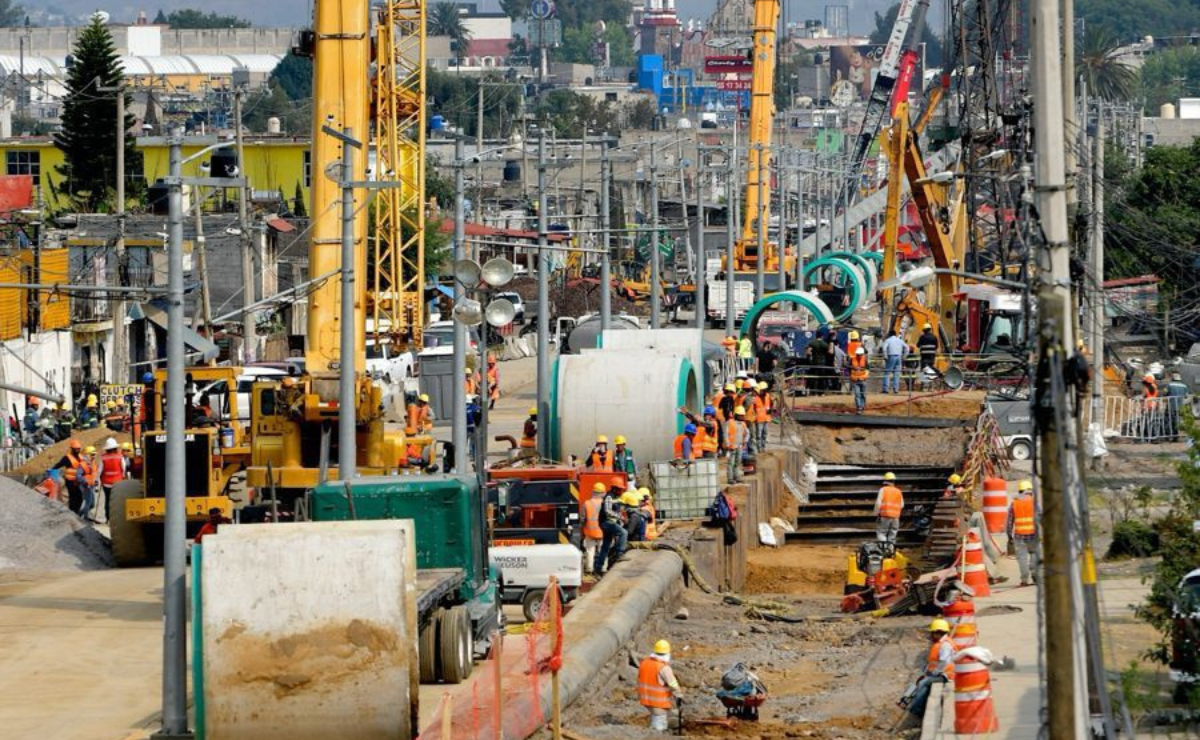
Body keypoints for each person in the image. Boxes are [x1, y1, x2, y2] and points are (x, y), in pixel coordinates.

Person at [906, 619, 958, 719]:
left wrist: (933, 674)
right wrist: (926, 673)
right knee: (921, 681)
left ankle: (916, 710)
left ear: (938, 632)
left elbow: (944, 662)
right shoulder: (941, 643)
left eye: (932, 633)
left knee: (923, 683)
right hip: (941, 673)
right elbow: (934, 662)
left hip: (946, 675)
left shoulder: (945, 645)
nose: (931, 635)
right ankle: (915, 704)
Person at [638, 640, 684, 732]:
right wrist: (679, 695)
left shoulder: (645, 663)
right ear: (667, 653)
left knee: (656, 714)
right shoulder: (664, 668)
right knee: (660, 719)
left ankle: (652, 728)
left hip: (645, 698)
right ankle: (657, 733)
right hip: (658, 702)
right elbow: (673, 684)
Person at [1007, 479, 1038, 586]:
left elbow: (1009, 522)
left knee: (1022, 558)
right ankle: (1035, 575)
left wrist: (1009, 536)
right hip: (1033, 535)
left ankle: (1024, 580)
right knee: (1034, 553)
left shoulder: (1014, 504)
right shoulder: (1035, 502)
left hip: (1019, 536)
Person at [595, 477, 628, 574]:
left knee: (606, 545)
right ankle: (620, 554)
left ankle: (598, 567)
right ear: (614, 488)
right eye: (620, 489)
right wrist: (620, 517)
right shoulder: (609, 497)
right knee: (623, 533)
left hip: (609, 522)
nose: (621, 491)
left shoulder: (615, 497)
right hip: (606, 522)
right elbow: (608, 511)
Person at [53, 439, 88, 516]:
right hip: (70, 481)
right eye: (76, 449)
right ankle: (72, 513)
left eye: (78, 448)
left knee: (79, 498)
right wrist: (52, 470)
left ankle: (75, 513)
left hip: (79, 481)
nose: (77, 450)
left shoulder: (81, 457)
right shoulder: (67, 458)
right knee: (73, 498)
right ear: (72, 449)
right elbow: (58, 465)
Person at [97, 437, 128, 523]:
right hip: (118, 483)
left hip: (106, 483)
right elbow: (124, 468)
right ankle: (117, 518)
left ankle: (108, 518)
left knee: (107, 500)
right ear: (115, 448)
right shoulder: (120, 457)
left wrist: (98, 480)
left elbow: (100, 470)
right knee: (117, 501)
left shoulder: (103, 458)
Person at [581, 482, 606, 575]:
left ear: (593, 492)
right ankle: (603, 569)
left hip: (590, 532)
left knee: (590, 551)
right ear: (603, 493)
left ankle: (589, 570)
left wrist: (580, 531)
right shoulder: (605, 504)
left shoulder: (586, 504)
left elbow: (582, 520)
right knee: (603, 550)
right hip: (603, 532)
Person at [874, 471, 903, 546]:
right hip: (896, 517)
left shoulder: (883, 490)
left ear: (885, 481)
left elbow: (878, 503)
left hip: (885, 516)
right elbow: (902, 505)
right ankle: (890, 551)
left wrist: (876, 513)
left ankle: (883, 550)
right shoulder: (898, 491)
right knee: (892, 535)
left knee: (881, 533)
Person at [725, 406, 750, 483]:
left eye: (743, 415)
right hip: (731, 447)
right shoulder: (729, 423)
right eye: (741, 415)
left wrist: (745, 441)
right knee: (731, 463)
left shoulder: (743, 424)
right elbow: (725, 435)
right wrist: (728, 444)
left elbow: (747, 433)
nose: (742, 417)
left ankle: (736, 476)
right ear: (736, 415)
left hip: (739, 446)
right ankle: (730, 478)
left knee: (737, 462)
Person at [881, 329, 908, 394]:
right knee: (896, 374)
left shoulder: (888, 340)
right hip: (899, 356)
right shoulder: (900, 340)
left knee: (887, 373)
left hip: (891, 356)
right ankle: (896, 389)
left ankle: (885, 389)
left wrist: (885, 356)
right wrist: (904, 356)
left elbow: (884, 348)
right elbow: (907, 348)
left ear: (890, 334)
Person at [1165, 371, 1189, 440]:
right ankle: (1176, 436)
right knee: (1177, 421)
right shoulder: (1184, 386)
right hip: (1180, 406)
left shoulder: (1169, 385)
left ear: (1172, 378)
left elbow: (1165, 393)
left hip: (1171, 406)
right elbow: (1186, 396)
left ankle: (1169, 435)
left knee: (1168, 420)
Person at [77, 445, 99, 520]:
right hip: (85, 486)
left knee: (92, 504)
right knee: (88, 502)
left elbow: (94, 474)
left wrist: (95, 482)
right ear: (87, 455)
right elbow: (78, 477)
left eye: (94, 454)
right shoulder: (82, 465)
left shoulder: (93, 463)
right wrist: (86, 481)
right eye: (92, 454)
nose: (94, 456)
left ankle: (80, 515)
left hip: (91, 486)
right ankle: (84, 517)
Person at [750, 381, 771, 451]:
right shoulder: (755, 398)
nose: (763, 391)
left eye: (764, 390)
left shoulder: (768, 396)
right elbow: (752, 409)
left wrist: (770, 410)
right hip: (759, 419)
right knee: (758, 435)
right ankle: (759, 449)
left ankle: (763, 447)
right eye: (762, 390)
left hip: (766, 418)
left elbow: (769, 405)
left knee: (765, 434)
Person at [850, 345, 869, 414]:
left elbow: (868, 369)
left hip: (863, 379)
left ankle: (862, 406)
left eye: (860, 355)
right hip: (855, 380)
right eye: (858, 355)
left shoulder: (865, 360)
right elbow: (847, 366)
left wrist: (865, 376)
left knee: (863, 394)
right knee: (857, 394)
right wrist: (852, 368)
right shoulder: (852, 359)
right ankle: (859, 408)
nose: (859, 356)